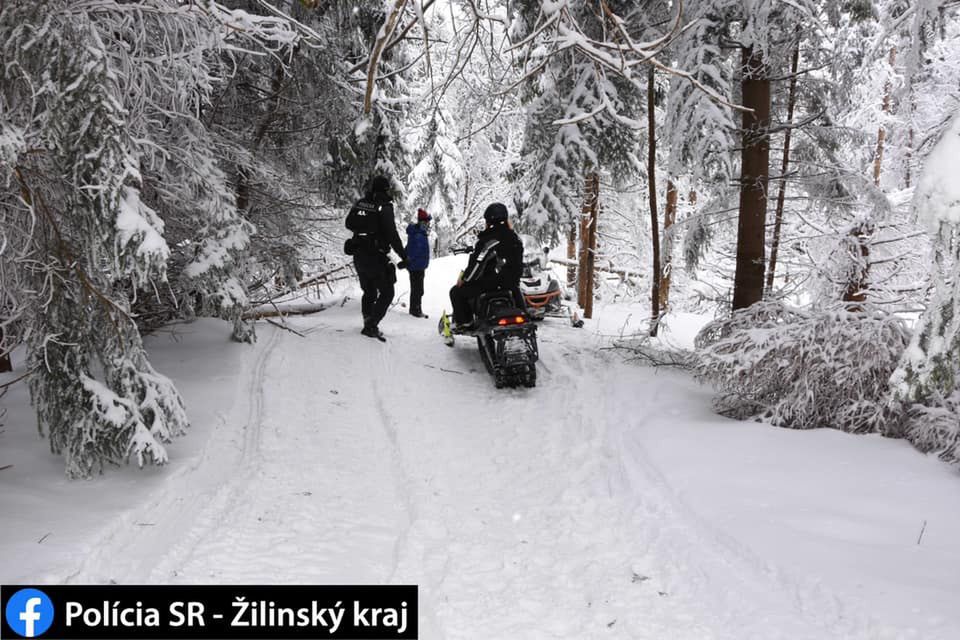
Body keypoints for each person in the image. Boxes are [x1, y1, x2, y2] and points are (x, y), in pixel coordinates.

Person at [345, 175, 408, 340]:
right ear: (386, 189)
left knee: (369, 291)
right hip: (375, 256)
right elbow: (392, 235)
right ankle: (371, 325)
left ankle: (368, 320)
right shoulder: (384, 207)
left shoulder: (361, 203)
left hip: (359, 255)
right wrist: (404, 256)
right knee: (387, 292)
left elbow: (349, 223)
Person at [449, 202, 524, 329]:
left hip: (491, 285)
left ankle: (465, 322)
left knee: (456, 292)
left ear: (488, 221)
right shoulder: (514, 238)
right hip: (511, 284)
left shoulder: (487, 241)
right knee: (517, 291)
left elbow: (476, 267)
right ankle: (523, 314)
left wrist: (465, 279)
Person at [405, 208, 431, 318]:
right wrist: (408, 261)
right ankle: (415, 310)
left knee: (417, 289)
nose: (429, 224)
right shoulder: (418, 234)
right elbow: (413, 250)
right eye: (427, 221)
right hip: (416, 266)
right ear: (423, 222)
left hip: (418, 266)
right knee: (418, 290)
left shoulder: (420, 232)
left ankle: (415, 309)